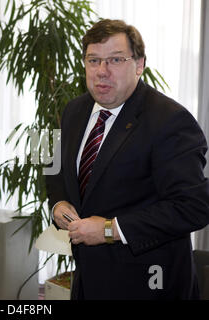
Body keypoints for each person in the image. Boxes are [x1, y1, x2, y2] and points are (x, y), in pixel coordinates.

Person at [46, 19, 209, 300]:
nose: (102, 72)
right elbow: (54, 168)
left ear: (139, 64)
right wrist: (58, 202)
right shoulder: (74, 110)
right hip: (88, 278)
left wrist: (111, 229)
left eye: (115, 60)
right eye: (93, 60)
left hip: (148, 283)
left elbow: (194, 206)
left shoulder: (170, 120)